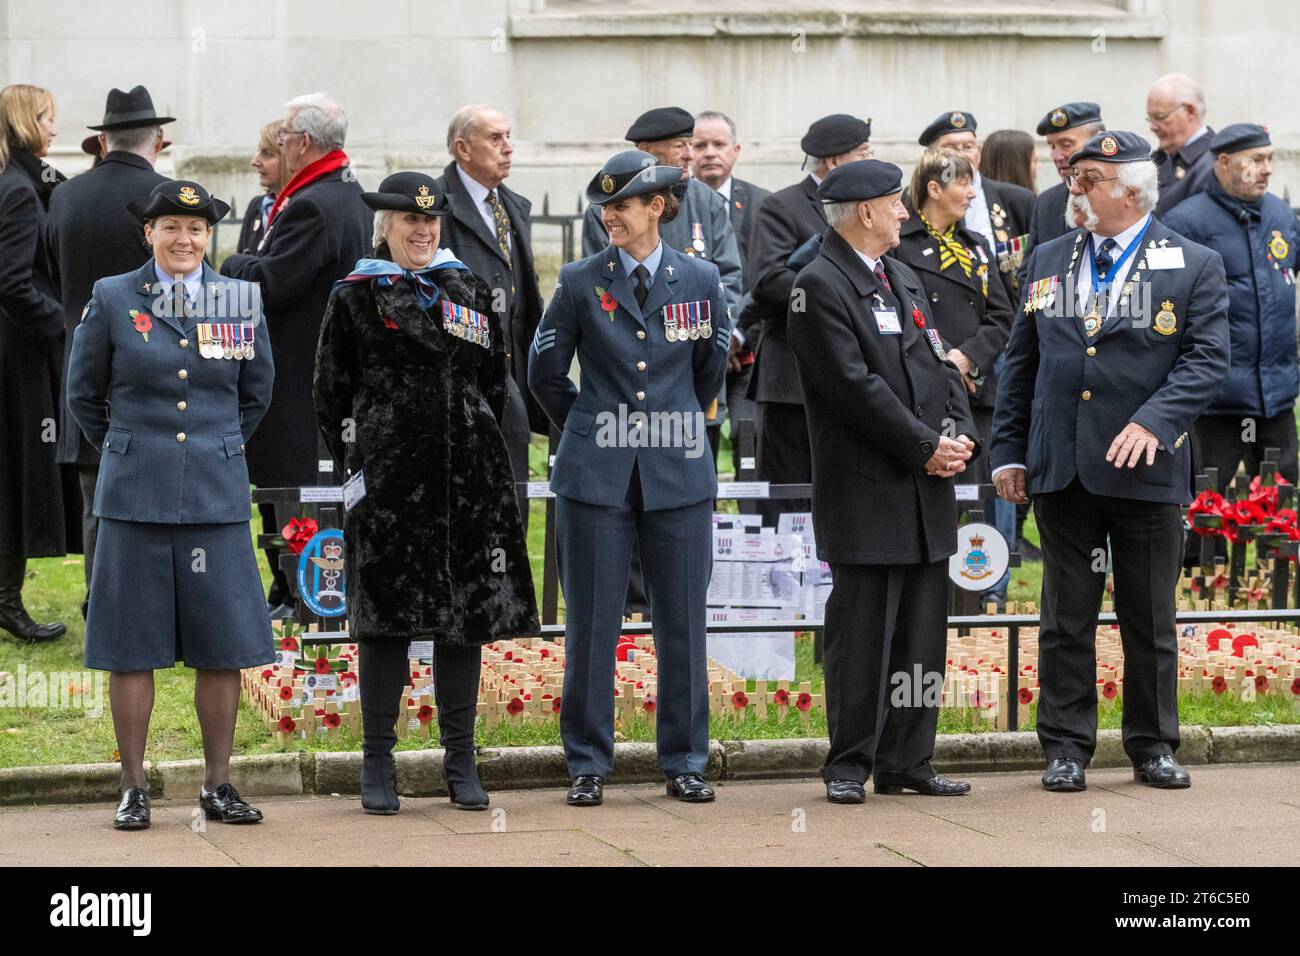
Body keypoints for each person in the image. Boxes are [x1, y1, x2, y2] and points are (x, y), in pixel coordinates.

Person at [991, 131, 1230, 793]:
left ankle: (1152, 745)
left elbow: (1207, 359)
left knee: (1149, 617)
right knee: (1064, 616)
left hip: (1146, 472)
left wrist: (1153, 421)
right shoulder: (1048, 257)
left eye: (1088, 178)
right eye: (1073, 176)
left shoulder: (1191, 263)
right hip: (1063, 467)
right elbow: (1021, 365)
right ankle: (1066, 748)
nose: (1074, 188)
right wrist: (1008, 451)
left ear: (1131, 191)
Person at [315, 172, 539, 815]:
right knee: (384, 619)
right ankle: (378, 761)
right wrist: (366, 459)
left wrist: (474, 439)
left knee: (463, 618)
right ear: (385, 226)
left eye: (431, 222)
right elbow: (330, 395)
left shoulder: (464, 285)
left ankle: (460, 761)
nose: (422, 231)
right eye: (409, 222)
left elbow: (495, 380)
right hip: (389, 486)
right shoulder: (356, 295)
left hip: (467, 482)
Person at [67, 179, 276, 830]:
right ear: (148, 234)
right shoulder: (113, 297)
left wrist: (214, 449)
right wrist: (132, 448)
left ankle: (218, 784)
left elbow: (257, 392)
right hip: (134, 498)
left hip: (214, 499)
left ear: (208, 237)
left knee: (223, 645)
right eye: (170, 228)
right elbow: (83, 394)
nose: (184, 240)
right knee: (131, 646)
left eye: (196, 230)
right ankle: (133, 787)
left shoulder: (239, 300)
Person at [528, 150, 731, 807]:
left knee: (683, 622)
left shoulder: (699, 278)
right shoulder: (584, 280)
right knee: (591, 623)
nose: (609, 216)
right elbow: (545, 371)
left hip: (677, 470)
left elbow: (710, 365)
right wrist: (586, 425)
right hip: (599, 475)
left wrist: (674, 421)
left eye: (622, 205)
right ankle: (587, 762)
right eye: (605, 205)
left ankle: (685, 760)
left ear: (657, 208)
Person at [787, 158, 976, 803]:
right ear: (865, 211)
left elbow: (938, 360)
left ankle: (907, 761)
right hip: (868, 487)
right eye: (896, 203)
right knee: (864, 635)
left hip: (926, 487)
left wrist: (960, 432)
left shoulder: (897, 274)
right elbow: (853, 389)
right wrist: (924, 446)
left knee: (921, 636)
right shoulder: (819, 284)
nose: (905, 211)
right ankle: (849, 765)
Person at [221, 92, 370, 619]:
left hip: (299, 379)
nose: (277, 149)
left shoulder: (314, 203)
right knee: (312, 490)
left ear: (303, 143)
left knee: (298, 489)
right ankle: (302, 592)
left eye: (282, 139)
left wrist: (235, 262)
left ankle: (309, 595)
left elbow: (270, 281)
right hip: (325, 373)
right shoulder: (344, 192)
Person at [47, 85, 170, 620]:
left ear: (101, 139)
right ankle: (152, 606)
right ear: (159, 140)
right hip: (158, 366)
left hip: (84, 366)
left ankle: (104, 605)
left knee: (97, 499)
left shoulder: (64, 195)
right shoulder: (171, 197)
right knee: (163, 496)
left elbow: (53, 279)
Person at [581, 106, 743, 459]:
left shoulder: (708, 202)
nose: (690, 154)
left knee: (693, 486)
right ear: (646, 151)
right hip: (625, 383)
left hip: (691, 369)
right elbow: (600, 287)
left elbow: (728, 278)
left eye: (690, 144)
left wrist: (722, 333)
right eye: (680, 145)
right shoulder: (605, 210)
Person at [893, 149, 1016, 605]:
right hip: (920, 396)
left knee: (978, 496)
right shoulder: (899, 245)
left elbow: (1003, 314)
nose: (970, 193)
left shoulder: (977, 246)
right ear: (933, 188)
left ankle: (983, 587)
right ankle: (926, 588)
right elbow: (902, 318)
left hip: (975, 392)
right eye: (962, 183)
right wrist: (943, 364)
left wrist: (968, 359)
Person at [748, 113, 871, 525]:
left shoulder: (869, 208)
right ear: (835, 163)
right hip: (791, 380)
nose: (870, 159)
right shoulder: (782, 206)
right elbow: (767, 282)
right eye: (863, 153)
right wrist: (836, 288)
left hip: (853, 374)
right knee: (786, 498)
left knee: (844, 492)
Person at [1164, 124, 1300, 489]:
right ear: (1224, 163)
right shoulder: (1184, 224)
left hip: (1276, 399)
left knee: (1284, 516)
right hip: (1216, 403)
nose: (1268, 168)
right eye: (1256, 159)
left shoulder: (1282, 216)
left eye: (1269, 158)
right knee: (1205, 516)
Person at [433, 105, 547, 528]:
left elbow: (525, 298)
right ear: (462, 148)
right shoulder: (437, 206)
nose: (508, 148)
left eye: (509, 137)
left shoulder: (511, 206)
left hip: (512, 374)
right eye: (495, 138)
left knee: (510, 504)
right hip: (462, 377)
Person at [0, 83, 72, 643]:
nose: (54, 129)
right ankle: (5, 597)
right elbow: (13, 281)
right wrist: (64, 326)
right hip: (17, 355)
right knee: (16, 475)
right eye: (49, 119)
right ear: (28, 123)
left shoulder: (20, 181)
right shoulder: (21, 190)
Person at [692, 109, 771, 487]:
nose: (709, 152)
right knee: (698, 447)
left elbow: (768, 278)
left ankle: (752, 538)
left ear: (735, 150)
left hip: (752, 352)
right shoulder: (675, 206)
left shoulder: (765, 205)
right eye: (699, 144)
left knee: (751, 443)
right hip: (697, 352)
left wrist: (737, 338)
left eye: (718, 144)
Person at [917, 110, 1034, 299]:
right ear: (931, 156)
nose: (961, 155)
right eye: (951, 148)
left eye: (968, 146)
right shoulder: (913, 203)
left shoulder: (1017, 200)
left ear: (979, 151)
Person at [1025, 102, 1106, 255]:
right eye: (1052, 146)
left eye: (1066, 145)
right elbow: (1029, 272)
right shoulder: (1046, 203)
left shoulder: (1120, 196)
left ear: (1098, 141)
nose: (1056, 156)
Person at [1145, 73, 1214, 216]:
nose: (1152, 127)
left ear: (1189, 111)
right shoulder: (1159, 158)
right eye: (1150, 119)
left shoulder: (1213, 163)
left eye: (1159, 117)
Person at [235, 120, 288, 256]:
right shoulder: (257, 206)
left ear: (289, 157)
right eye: (258, 151)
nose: (254, 161)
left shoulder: (302, 208)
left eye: (267, 154)